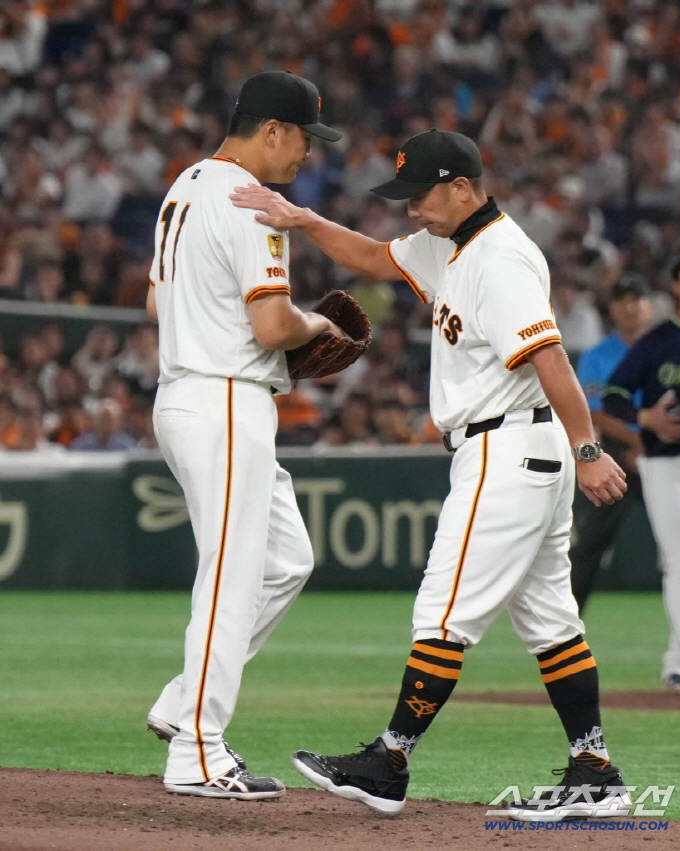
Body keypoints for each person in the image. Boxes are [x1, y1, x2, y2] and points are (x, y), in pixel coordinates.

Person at [231, 129, 631, 823]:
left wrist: (589, 447)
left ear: (463, 187)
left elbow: (553, 359)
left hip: (505, 450)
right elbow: (372, 257)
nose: (412, 208)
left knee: (442, 615)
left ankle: (389, 759)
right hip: (514, 450)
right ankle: (594, 769)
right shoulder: (451, 243)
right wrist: (304, 220)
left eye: (421, 195)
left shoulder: (500, 259)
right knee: (551, 623)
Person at [145, 70, 344, 799]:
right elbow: (270, 326)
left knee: (288, 557)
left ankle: (181, 703)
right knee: (230, 578)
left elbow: (152, 298)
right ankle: (198, 748)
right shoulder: (255, 204)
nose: (306, 157)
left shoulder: (183, 185)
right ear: (272, 131)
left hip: (188, 395)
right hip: (225, 398)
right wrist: (315, 324)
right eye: (303, 140)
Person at [603, 248, 680, 694]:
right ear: (676, 288)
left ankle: (678, 664)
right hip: (667, 463)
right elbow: (615, 396)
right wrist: (646, 419)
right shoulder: (660, 341)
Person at [570, 274, 654, 611]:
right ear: (612, 308)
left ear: (651, 306)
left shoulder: (670, 348)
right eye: (622, 300)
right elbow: (592, 412)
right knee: (590, 541)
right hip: (616, 453)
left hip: (664, 448)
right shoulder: (597, 355)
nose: (630, 307)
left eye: (637, 299)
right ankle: (565, 622)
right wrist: (638, 442)